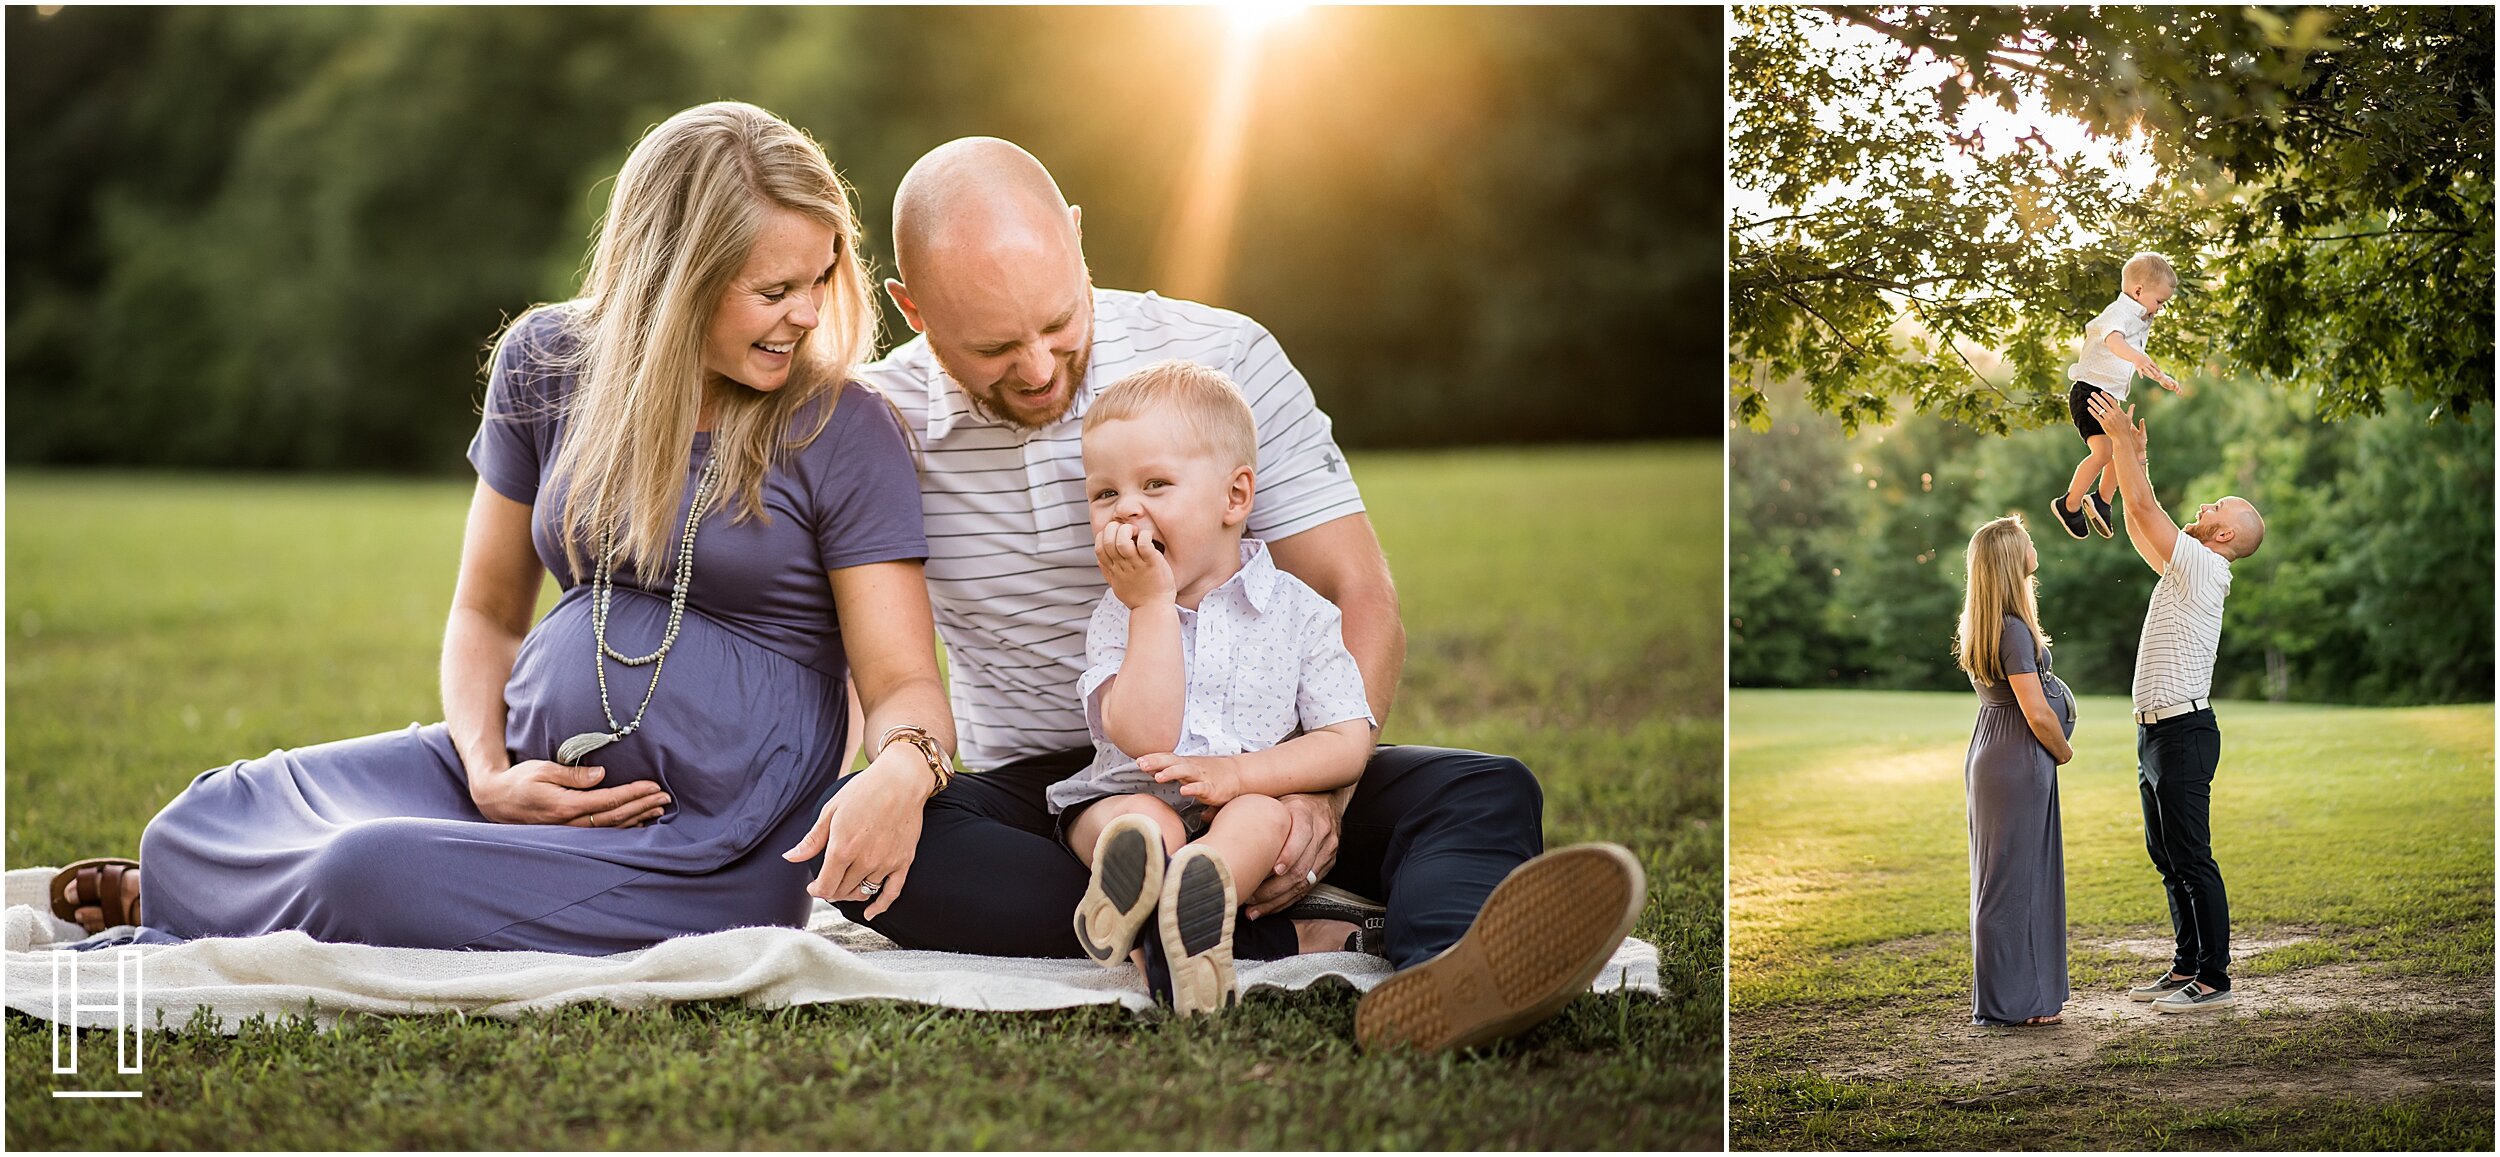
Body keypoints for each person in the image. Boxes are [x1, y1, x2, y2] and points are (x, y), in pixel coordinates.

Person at [51, 101, 953, 955]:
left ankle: (216, 907)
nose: (807, 312)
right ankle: (195, 887)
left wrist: (902, 769)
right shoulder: (549, 363)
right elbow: (486, 611)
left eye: (820, 276)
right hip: (513, 772)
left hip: (706, 844)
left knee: (363, 870)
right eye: (775, 288)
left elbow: (905, 680)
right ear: (676, 281)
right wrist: (487, 773)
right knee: (199, 818)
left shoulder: (841, 427)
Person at [824, 136, 1645, 1052]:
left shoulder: (1225, 357)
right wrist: (880, 782)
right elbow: (865, 660)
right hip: (1066, 795)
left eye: (1058, 322)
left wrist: (1316, 806)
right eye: (993, 346)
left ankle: (1448, 970)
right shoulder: (875, 424)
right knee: (891, 853)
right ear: (912, 308)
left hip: (1262, 758)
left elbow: (1354, 589)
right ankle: (1305, 933)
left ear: (1078, 238)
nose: (1039, 367)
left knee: (1482, 787)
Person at [1059, 360, 1377, 1016]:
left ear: (1234, 497)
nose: (1127, 509)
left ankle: (1199, 898)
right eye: (1104, 494)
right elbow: (1146, 737)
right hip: (1130, 791)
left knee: (1264, 817)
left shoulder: (1299, 612)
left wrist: (1240, 774)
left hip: (1244, 797)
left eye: (1155, 484)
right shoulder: (1119, 614)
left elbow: (1347, 738)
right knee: (1132, 822)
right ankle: (1135, 879)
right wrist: (1150, 607)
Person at [2088, 389, 2267, 1014]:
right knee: (2167, 856)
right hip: (2157, 733)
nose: (2204, 505)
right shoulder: (2187, 564)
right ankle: (2186, 966)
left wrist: (2121, 445)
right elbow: (2141, 523)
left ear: (2221, 534)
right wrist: (2133, 454)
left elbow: (2140, 502)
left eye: (2214, 506)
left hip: (2184, 731)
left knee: (2193, 857)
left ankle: (2214, 981)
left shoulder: (2207, 568)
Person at [1953, 515, 2076, 1027]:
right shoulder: (2013, 630)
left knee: (2003, 876)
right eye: (2026, 539)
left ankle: (2017, 996)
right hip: (2018, 757)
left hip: (1995, 751)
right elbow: (2036, 711)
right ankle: (2014, 1003)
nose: (2034, 544)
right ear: (2009, 558)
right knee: (2015, 880)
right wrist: (2063, 751)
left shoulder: (1992, 624)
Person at [2053, 252, 2183, 541]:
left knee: (2120, 449)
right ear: (2138, 291)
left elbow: (2139, 357)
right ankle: (2069, 504)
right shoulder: (2119, 313)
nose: (2159, 309)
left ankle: (2101, 500)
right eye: (2159, 301)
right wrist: (2136, 358)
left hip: (2107, 396)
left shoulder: (2139, 319)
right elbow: (2114, 341)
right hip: (2089, 391)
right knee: (2103, 452)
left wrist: (2161, 377)